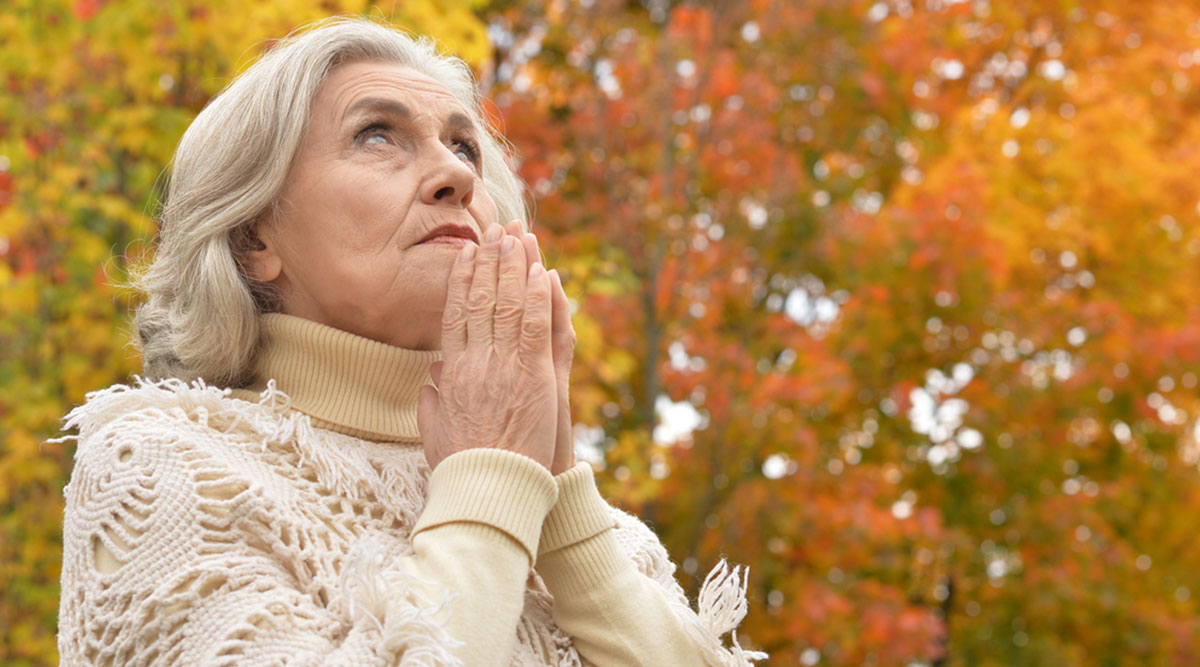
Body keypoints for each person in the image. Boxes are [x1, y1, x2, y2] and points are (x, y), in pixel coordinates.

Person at [56, 17, 764, 666]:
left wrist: (560, 505)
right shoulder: (162, 468)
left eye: (464, 146)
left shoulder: (614, 538)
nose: (456, 173)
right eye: (377, 135)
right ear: (253, 238)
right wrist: (490, 480)